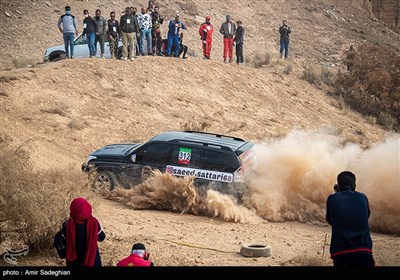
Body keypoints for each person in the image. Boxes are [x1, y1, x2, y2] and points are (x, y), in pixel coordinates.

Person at [326, 171, 375, 267]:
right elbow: (366, 216)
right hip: (363, 250)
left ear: (338, 185)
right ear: (355, 185)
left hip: (340, 252)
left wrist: (337, 193)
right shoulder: (363, 197)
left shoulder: (332, 198)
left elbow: (331, 220)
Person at [59, 197, 106, 266]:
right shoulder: (94, 223)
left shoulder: (68, 224)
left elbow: (62, 239)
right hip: (92, 260)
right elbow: (102, 237)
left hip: (74, 262)